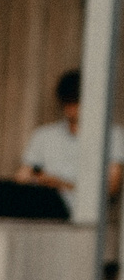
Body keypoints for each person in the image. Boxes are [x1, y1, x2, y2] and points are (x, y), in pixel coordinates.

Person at [16, 69, 124, 218]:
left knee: (47, 197)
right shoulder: (44, 135)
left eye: (76, 101)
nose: (70, 108)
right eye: (67, 101)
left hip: (77, 210)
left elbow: (111, 188)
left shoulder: (112, 135)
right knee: (1, 189)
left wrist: (61, 184)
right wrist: (39, 180)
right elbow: (21, 177)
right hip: (39, 202)